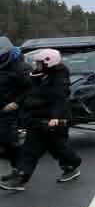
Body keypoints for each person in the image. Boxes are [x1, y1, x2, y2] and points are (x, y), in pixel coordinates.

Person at [1, 48, 81, 192]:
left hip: (52, 121)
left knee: (55, 148)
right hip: (37, 120)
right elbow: (29, 92)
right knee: (32, 150)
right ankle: (20, 177)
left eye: (39, 63)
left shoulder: (59, 79)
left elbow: (59, 99)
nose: (36, 65)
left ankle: (71, 165)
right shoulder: (39, 76)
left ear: (48, 63)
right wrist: (17, 103)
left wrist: (55, 117)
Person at [0, 37, 30, 171]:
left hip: (11, 110)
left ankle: (20, 169)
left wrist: (17, 102)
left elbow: (31, 89)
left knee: (8, 141)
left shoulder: (21, 69)